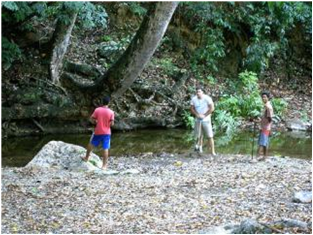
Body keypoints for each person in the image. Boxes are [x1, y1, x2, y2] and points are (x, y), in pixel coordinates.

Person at [82, 96, 115, 170]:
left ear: (102, 102)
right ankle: (104, 166)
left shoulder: (97, 110)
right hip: (107, 132)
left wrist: (96, 122)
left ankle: (86, 158)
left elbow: (91, 119)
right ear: (108, 103)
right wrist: (107, 124)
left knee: (91, 143)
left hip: (98, 131)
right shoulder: (111, 112)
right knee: (105, 148)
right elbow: (112, 124)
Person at [190, 87, 216, 155]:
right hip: (198, 119)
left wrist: (204, 115)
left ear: (202, 92)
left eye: (199, 92)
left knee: (210, 136)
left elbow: (212, 108)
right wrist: (197, 114)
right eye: (197, 92)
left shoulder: (207, 98)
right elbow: (192, 109)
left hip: (206, 119)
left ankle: (213, 152)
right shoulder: (194, 99)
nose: (198, 93)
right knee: (199, 135)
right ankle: (200, 148)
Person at [257, 91, 274, 161]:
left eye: (264, 97)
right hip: (265, 127)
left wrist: (269, 129)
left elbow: (270, 119)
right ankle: (264, 157)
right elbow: (265, 117)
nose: (263, 98)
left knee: (262, 143)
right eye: (262, 97)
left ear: (268, 98)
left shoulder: (268, 107)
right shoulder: (266, 106)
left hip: (265, 128)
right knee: (264, 142)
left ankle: (257, 156)